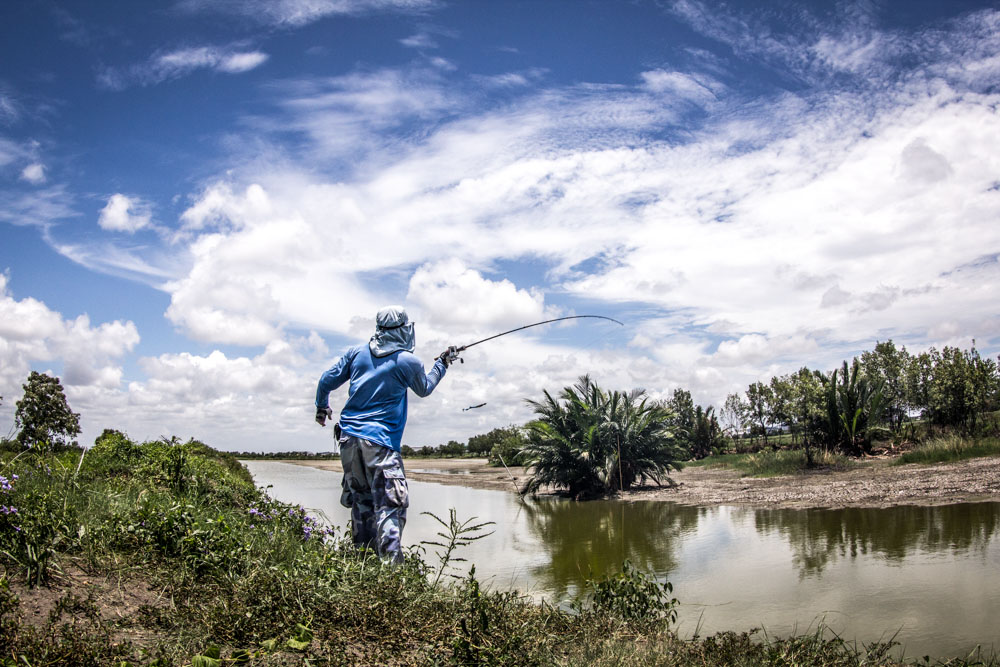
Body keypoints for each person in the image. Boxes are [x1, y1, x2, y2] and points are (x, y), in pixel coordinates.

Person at [315, 306, 457, 563]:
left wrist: (322, 407)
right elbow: (424, 388)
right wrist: (443, 364)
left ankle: (363, 567)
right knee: (390, 507)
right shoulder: (408, 361)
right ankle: (393, 576)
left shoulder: (355, 353)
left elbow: (326, 379)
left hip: (348, 441)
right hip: (380, 444)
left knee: (362, 503)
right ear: (405, 328)